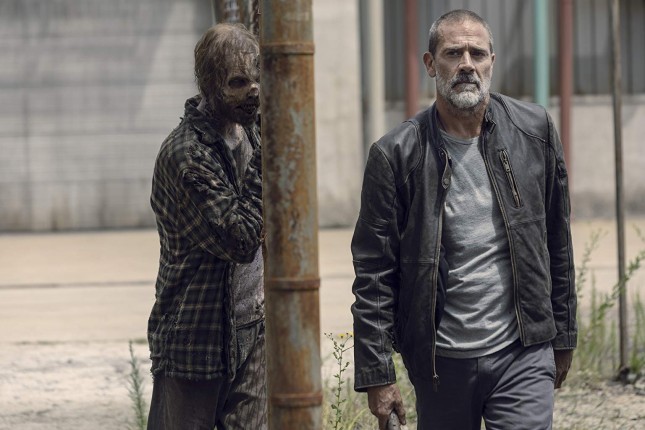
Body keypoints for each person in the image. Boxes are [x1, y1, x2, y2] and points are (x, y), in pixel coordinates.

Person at [351, 9, 576, 430]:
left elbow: (557, 241)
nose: (467, 64)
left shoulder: (534, 132)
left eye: (478, 53)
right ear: (430, 64)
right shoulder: (395, 155)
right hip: (441, 363)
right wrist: (378, 375)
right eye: (453, 53)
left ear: (492, 61)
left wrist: (563, 335)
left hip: (522, 352)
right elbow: (373, 273)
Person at [146, 23, 266, 430]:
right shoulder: (186, 155)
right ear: (210, 85)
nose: (253, 92)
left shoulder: (251, 132)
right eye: (238, 82)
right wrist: (270, 158)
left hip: (251, 330)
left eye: (257, 79)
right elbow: (240, 240)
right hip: (194, 339)